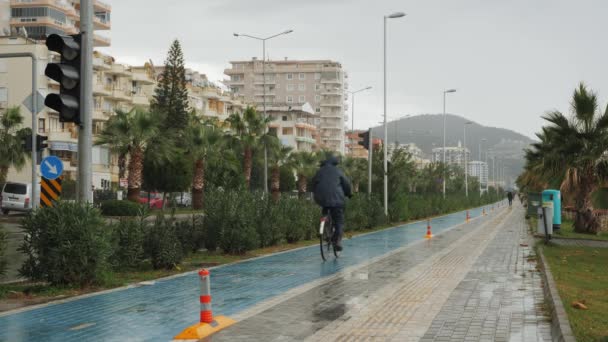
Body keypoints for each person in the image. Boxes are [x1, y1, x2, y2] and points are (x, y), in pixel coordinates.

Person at [312, 155, 352, 251]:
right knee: (339, 221)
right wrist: (349, 193)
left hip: (321, 198)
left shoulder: (319, 171)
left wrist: (316, 192)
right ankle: (337, 241)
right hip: (337, 200)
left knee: (326, 209)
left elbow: (312, 183)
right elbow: (346, 184)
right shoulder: (338, 171)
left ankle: (325, 227)